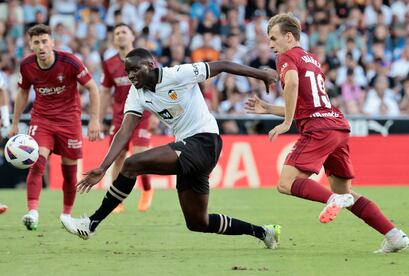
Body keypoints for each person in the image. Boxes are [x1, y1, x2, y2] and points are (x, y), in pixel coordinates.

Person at [61, 48, 281, 249]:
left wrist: (262, 74)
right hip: (189, 149)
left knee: (131, 165)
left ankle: (91, 223)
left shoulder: (177, 74)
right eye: (128, 71)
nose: (130, 75)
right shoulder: (137, 93)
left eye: (135, 69)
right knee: (197, 222)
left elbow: (222, 64)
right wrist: (103, 167)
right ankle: (264, 232)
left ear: (151, 64)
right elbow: (125, 131)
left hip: (205, 141)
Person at [245, 13, 409, 253]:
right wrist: (269, 108)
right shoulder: (312, 59)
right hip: (337, 126)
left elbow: (291, 84)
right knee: (345, 192)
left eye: (273, 38)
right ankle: (394, 236)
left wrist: (286, 123)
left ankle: (333, 200)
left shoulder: (285, 57)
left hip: (318, 129)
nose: (271, 45)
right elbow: (308, 104)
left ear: (289, 37)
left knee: (286, 183)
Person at [9, 24, 100, 231]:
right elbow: (23, 92)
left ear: (52, 42)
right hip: (42, 119)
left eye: (44, 41)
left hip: (69, 120)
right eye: (36, 42)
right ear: (30, 45)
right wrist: (15, 123)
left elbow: (93, 88)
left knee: (69, 173)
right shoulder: (27, 65)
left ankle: (66, 215)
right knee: (37, 162)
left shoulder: (69, 61)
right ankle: (32, 211)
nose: (41, 46)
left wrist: (94, 120)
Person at [100, 23, 154, 213]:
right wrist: (98, 120)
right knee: (118, 156)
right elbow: (106, 92)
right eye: (117, 33)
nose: (120, 35)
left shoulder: (144, 58)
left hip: (143, 115)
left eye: (124, 32)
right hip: (119, 118)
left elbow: (156, 84)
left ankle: (147, 190)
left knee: (140, 156)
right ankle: (117, 200)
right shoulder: (109, 63)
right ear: (114, 39)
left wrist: (156, 114)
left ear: (132, 35)